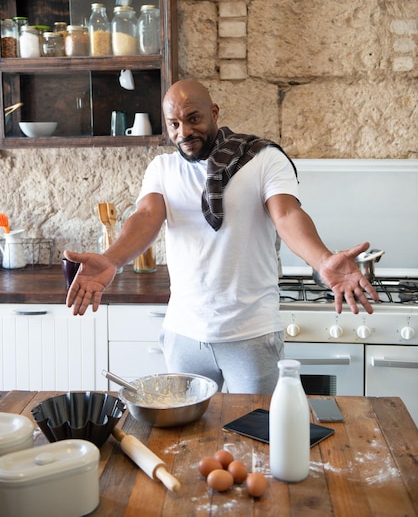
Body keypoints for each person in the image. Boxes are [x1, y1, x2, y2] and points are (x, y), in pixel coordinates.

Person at [65, 79, 378, 393]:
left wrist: (322, 259)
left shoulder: (263, 158)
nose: (183, 132)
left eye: (193, 119)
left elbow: (286, 215)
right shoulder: (163, 168)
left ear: (213, 112)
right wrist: (111, 260)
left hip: (251, 332)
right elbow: (146, 217)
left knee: (256, 433)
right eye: (174, 124)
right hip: (184, 333)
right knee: (185, 436)